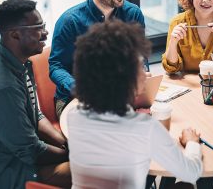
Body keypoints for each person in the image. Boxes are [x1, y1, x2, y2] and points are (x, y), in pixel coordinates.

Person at [67, 20, 203, 188]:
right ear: (123, 76)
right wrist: (192, 143)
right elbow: (191, 172)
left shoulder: (73, 116)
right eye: (139, 64)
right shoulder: (144, 128)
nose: (145, 73)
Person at [0, 0, 71, 188]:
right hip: (4, 175)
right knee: (96, 168)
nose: (46, 33)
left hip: (18, 157)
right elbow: (31, 151)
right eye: (39, 27)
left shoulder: (18, 63)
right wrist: (73, 153)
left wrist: (64, 141)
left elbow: (35, 115)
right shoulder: (1, 86)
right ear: (15, 35)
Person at [49, 0, 147, 118]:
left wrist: (142, 73)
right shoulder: (70, 21)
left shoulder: (133, 14)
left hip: (121, 94)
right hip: (75, 99)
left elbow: (140, 57)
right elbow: (56, 67)